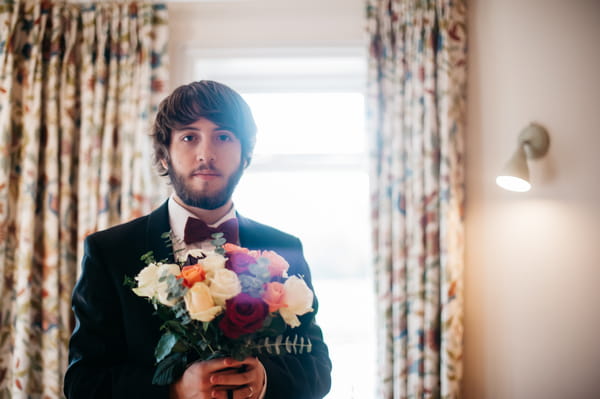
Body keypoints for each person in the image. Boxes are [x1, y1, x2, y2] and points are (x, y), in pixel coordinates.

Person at [63, 80, 332, 399]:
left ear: (245, 156)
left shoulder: (284, 248)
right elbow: (82, 383)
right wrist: (173, 390)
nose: (206, 153)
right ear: (164, 156)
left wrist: (265, 381)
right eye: (189, 137)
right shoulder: (109, 251)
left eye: (223, 137)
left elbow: (318, 371)